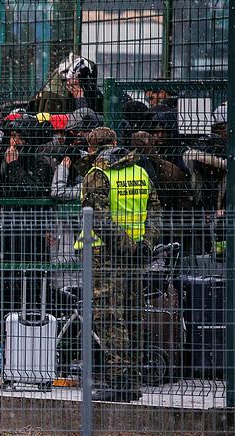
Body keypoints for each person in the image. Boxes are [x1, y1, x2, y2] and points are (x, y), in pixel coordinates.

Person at [77, 146, 162, 402]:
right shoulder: (140, 172)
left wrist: (127, 246)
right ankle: (131, 380)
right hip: (136, 256)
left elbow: (98, 218)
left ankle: (119, 378)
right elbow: (155, 210)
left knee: (107, 316)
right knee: (132, 314)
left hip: (107, 254)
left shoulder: (99, 174)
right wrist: (145, 244)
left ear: (94, 148)